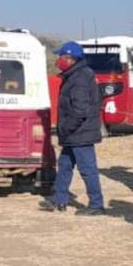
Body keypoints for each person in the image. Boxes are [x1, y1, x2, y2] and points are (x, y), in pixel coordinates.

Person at [40, 42, 105, 215]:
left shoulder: (81, 78)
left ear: (69, 58)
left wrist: (66, 128)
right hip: (73, 134)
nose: (57, 60)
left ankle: (96, 204)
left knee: (87, 170)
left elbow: (79, 110)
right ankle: (59, 200)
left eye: (60, 57)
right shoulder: (73, 75)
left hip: (80, 133)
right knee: (65, 166)